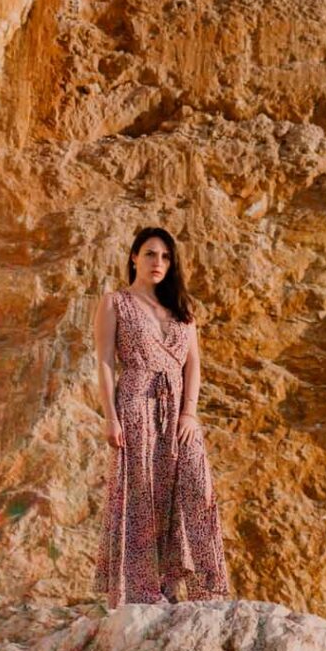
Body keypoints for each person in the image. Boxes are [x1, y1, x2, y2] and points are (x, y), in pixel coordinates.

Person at [92, 226, 232, 608]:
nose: (159, 263)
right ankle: (141, 591)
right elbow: (104, 361)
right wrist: (110, 417)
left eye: (166, 257)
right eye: (151, 254)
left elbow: (194, 366)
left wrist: (190, 413)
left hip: (179, 414)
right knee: (142, 494)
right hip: (136, 401)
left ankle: (207, 589)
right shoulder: (114, 302)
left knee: (196, 489)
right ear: (134, 256)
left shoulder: (181, 309)